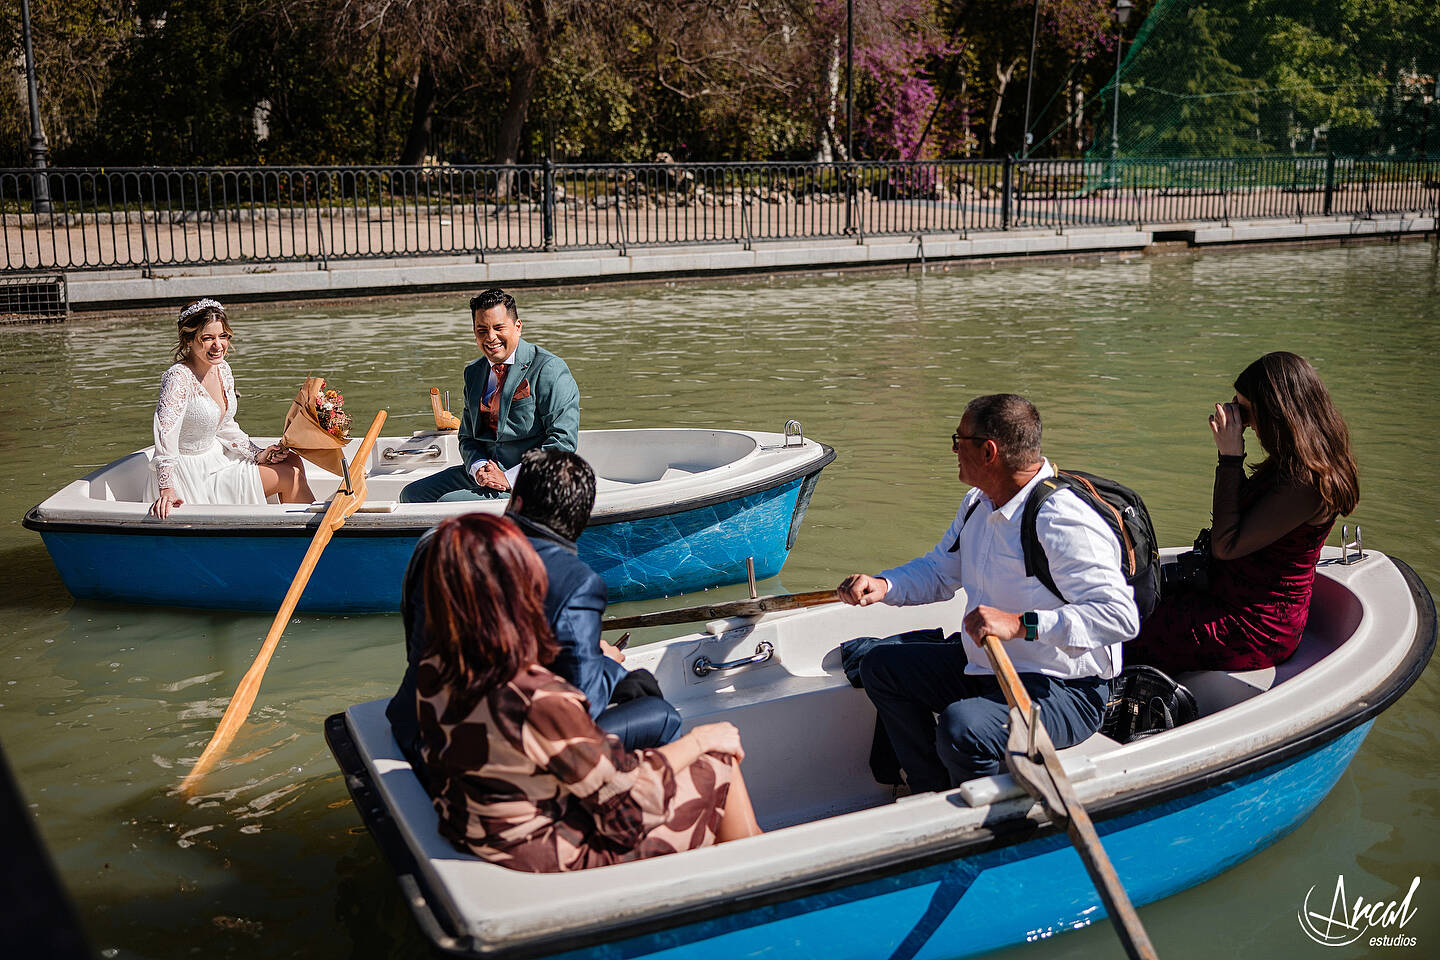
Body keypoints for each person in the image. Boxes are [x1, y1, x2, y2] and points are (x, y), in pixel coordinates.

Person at [414, 513, 762, 872]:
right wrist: (701, 740)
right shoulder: (535, 699)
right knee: (719, 761)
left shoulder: (439, 664)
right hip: (546, 853)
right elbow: (624, 808)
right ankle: (764, 883)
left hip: (484, 830)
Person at [837, 394, 1139, 794]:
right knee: (882, 666)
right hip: (988, 669)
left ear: (988, 451)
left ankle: (986, 826)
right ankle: (931, 795)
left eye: (958, 439)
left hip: (1064, 689)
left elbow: (1119, 617)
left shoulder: (1063, 519)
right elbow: (940, 570)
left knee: (963, 727)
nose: (953, 449)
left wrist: (1021, 624)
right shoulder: (977, 503)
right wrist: (884, 586)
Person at [388, 449, 682, 766]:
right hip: (487, 759)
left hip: (414, 729)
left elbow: (422, 649)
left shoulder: (437, 541)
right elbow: (583, 705)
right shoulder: (575, 582)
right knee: (661, 714)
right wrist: (607, 664)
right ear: (580, 521)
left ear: (516, 501)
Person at [1128, 352, 1359, 672]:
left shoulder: (1308, 483)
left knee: (1119, 631)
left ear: (1276, 414)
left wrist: (1230, 457)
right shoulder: (1293, 462)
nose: (1243, 422)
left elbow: (1226, 546)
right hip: (1226, 597)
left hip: (1253, 626)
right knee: (1124, 605)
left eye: (1247, 412)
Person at [400, 288, 580, 502]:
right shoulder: (474, 372)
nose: (490, 337)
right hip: (486, 474)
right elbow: (467, 437)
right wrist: (478, 468)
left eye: (498, 327)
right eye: (482, 330)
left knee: (447, 504)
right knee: (412, 495)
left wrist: (509, 478)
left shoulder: (548, 367)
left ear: (518, 327)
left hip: (533, 479)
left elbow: (563, 442)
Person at [147, 298, 312, 518]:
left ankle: (289, 527)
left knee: (292, 460)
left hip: (217, 458)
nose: (218, 345)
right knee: (289, 476)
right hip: (191, 474)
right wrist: (166, 488)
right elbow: (164, 434)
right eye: (207, 338)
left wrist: (257, 454)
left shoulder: (222, 368)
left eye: (222, 336)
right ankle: (310, 534)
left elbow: (224, 425)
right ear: (188, 340)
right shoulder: (178, 377)